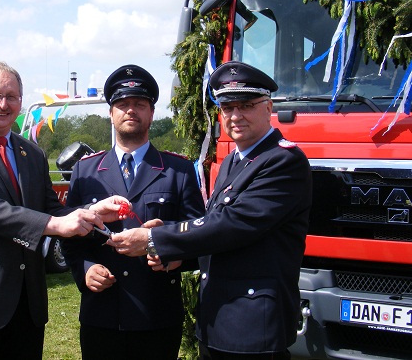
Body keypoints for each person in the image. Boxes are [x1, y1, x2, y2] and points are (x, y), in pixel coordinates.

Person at [109, 61, 312, 360]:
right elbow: (212, 225)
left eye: (246, 105)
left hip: (253, 325)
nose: (235, 116)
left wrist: (155, 239)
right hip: (219, 319)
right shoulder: (234, 160)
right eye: (227, 108)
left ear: (268, 108)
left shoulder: (283, 160)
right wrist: (175, 248)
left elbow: (232, 224)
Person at [0, 62, 127, 360]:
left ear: (21, 102)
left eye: (12, 97)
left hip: (27, 301)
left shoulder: (32, 153)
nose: (3, 104)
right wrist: (54, 224)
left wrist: (92, 211)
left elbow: (51, 209)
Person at [61, 64, 205, 360]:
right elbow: (69, 236)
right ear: (111, 113)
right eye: (122, 104)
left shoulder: (178, 170)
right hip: (101, 314)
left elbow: (201, 235)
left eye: (139, 104)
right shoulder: (85, 171)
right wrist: (85, 269)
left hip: (155, 316)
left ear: (151, 113)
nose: (130, 110)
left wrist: (173, 253)